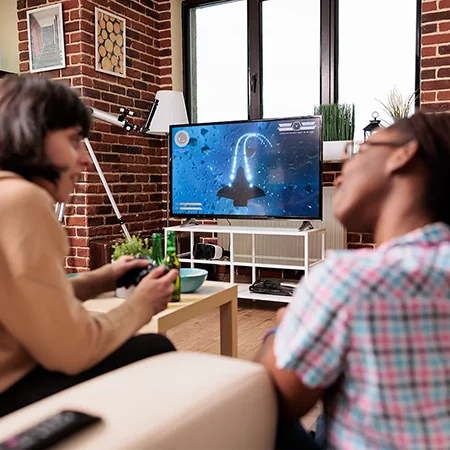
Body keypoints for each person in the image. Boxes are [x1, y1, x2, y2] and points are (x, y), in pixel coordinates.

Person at [256, 111, 450, 449]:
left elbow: (270, 397)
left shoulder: (348, 277)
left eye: (359, 151)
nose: (337, 178)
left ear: (403, 154)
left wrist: (283, 326)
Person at [0, 75, 179, 418]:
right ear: (29, 136)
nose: (84, 159)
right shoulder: (23, 200)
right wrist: (142, 304)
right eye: (73, 141)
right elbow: (73, 349)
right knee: (155, 346)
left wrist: (103, 279)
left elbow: (27, 298)